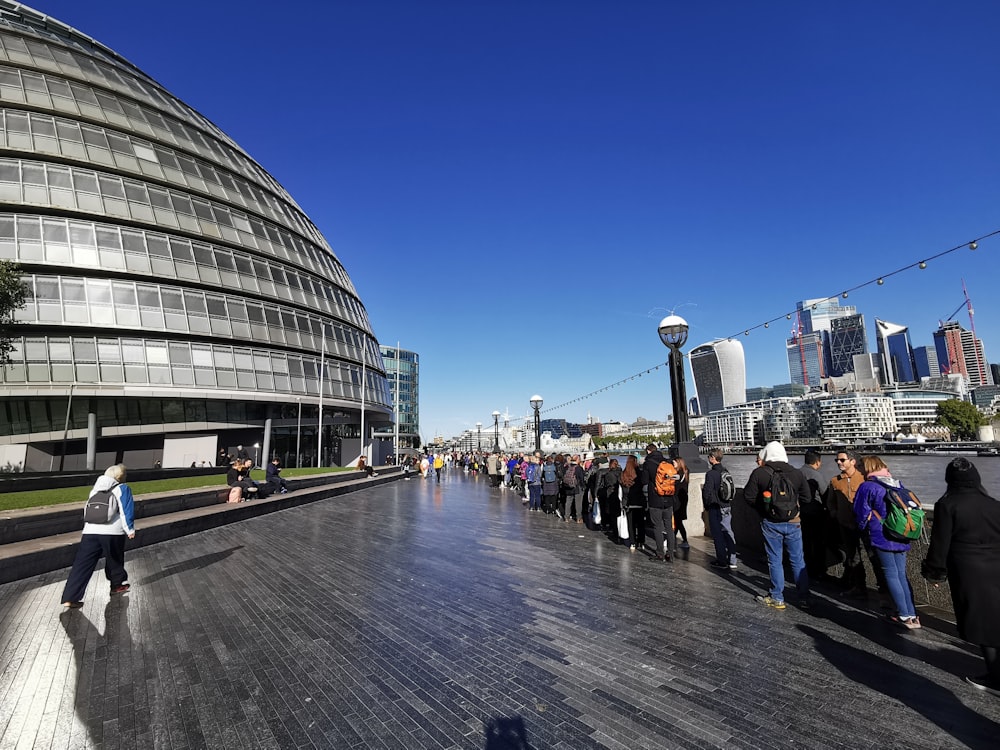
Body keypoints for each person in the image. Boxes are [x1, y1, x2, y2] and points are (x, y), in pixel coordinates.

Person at [922, 457, 1000, 694]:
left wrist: (935, 573)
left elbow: (940, 542)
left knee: (983, 622)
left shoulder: (948, 504)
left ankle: (996, 678)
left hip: (970, 571)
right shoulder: (993, 504)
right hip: (997, 566)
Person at [853, 455, 920, 629]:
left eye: (861, 467)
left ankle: (903, 616)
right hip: (901, 533)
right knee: (901, 575)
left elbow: (860, 512)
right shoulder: (896, 483)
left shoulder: (868, 486)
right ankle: (913, 615)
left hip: (882, 535)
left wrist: (861, 528)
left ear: (867, 468)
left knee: (890, 574)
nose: (859, 469)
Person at [743, 441, 810, 609]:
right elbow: (807, 498)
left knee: (775, 560)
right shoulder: (796, 473)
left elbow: (748, 497)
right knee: (798, 561)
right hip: (794, 522)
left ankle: (777, 597)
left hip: (771, 522)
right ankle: (804, 598)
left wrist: (765, 509)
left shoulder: (760, 473)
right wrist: (794, 509)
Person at [61, 464, 136, 609]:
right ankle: (116, 585)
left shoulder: (95, 489)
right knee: (114, 559)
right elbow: (126, 510)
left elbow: (87, 509)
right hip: (112, 532)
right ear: (121, 476)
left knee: (81, 565)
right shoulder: (122, 488)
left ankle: (70, 598)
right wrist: (130, 529)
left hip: (90, 531)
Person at [825, 449, 886, 598]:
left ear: (852, 461)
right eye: (837, 460)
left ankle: (884, 591)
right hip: (846, 525)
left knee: (874, 557)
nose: (839, 462)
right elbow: (830, 502)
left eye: (842, 460)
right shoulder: (835, 481)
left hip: (866, 525)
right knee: (853, 558)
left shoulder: (864, 478)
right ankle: (859, 587)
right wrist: (835, 513)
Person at [703, 448, 738, 570]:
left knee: (718, 535)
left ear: (712, 458)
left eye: (709, 457)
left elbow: (707, 491)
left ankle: (722, 560)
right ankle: (733, 560)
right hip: (726, 505)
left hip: (715, 507)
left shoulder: (711, 474)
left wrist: (706, 506)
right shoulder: (725, 471)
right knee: (728, 532)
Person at [641, 443, 676, 562]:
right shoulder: (668, 462)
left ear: (648, 451)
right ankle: (670, 554)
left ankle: (660, 553)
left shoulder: (648, 463)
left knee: (657, 526)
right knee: (669, 527)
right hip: (669, 498)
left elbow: (644, 481)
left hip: (655, 499)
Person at [799, 450, 830, 580]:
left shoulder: (796, 473)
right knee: (818, 543)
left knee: (804, 543)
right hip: (815, 513)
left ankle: (806, 568)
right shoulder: (816, 475)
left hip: (800, 513)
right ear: (817, 462)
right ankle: (819, 570)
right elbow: (825, 494)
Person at [621, 455, 646, 551]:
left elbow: (622, 488)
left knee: (630, 524)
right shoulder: (639, 473)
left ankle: (632, 542)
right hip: (639, 501)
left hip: (629, 502)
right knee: (640, 523)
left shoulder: (624, 473)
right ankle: (641, 541)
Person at [673, 456, 690, 549]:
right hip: (683, 498)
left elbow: (675, 480)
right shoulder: (686, 472)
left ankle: (684, 540)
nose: (673, 465)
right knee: (678, 519)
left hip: (678, 499)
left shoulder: (678, 474)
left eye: (674, 463)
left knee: (677, 520)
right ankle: (674, 537)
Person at [560, 456, 584, 523]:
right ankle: (579, 518)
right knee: (578, 503)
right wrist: (583, 486)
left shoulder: (567, 467)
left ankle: (566, 517)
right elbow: (581, 478)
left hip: (568, 487)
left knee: (568, 502)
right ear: (577, 460)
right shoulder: (579, 468)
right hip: (577, 487)